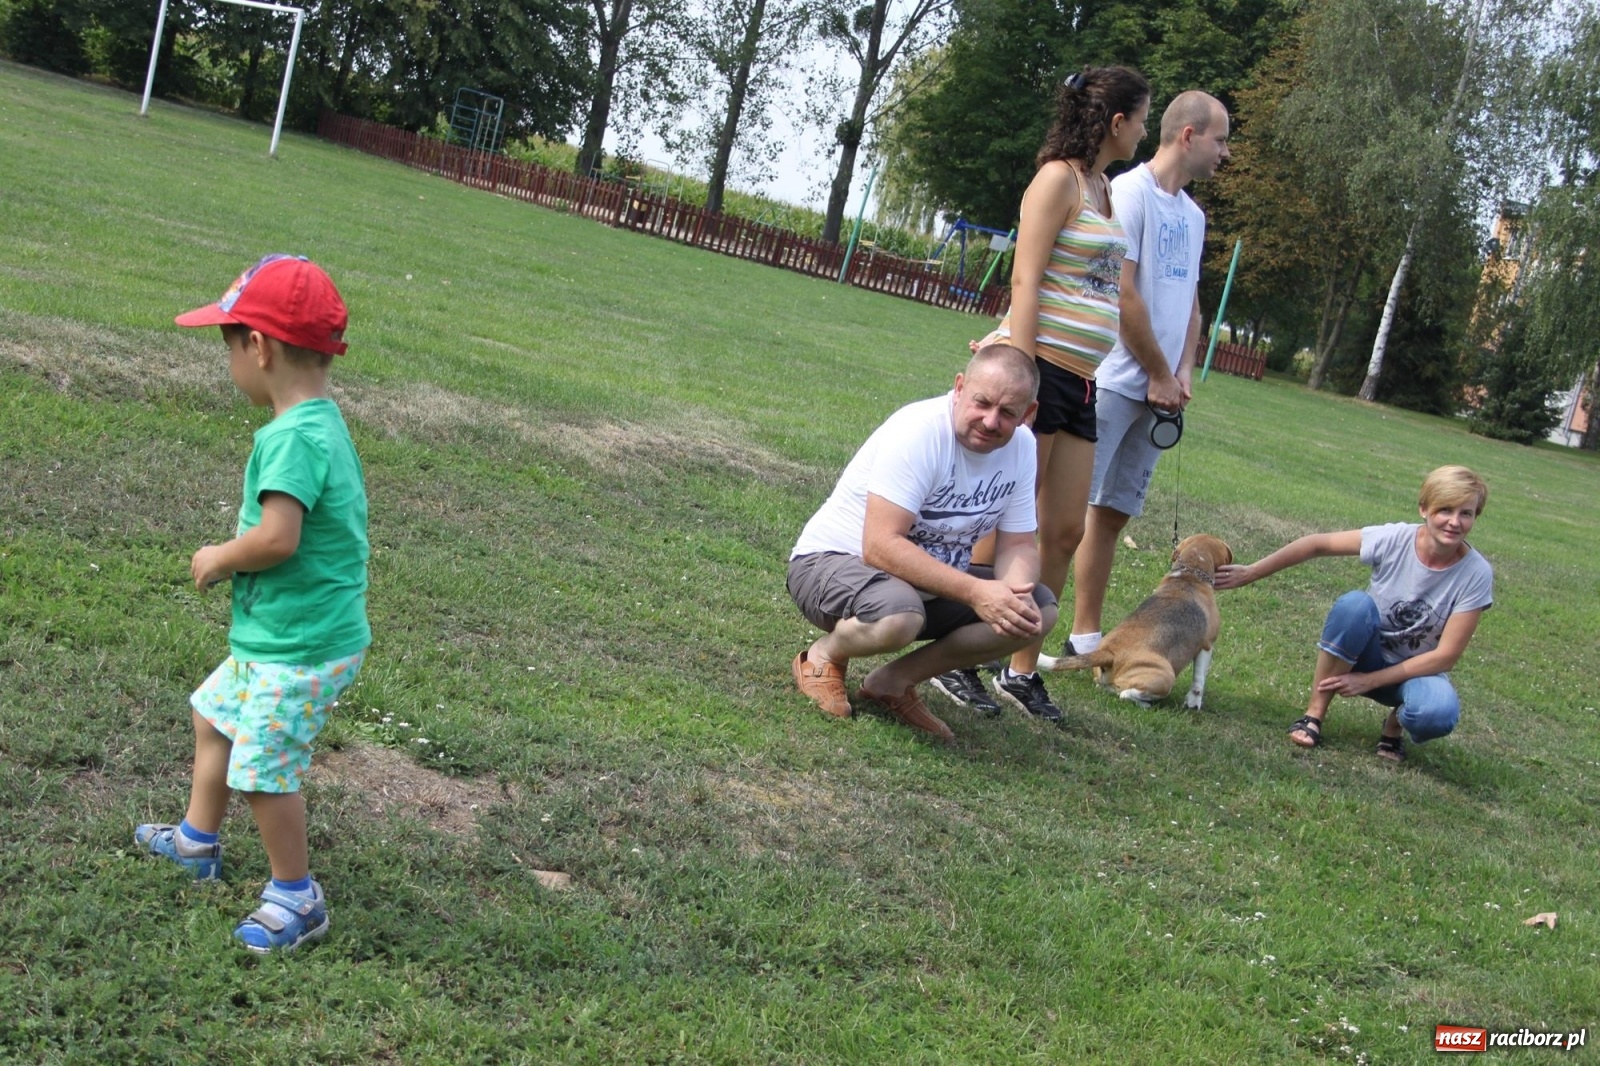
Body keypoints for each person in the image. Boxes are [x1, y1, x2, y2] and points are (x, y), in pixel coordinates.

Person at [136, 254, 371, 952]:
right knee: (214, 716)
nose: (230, 363)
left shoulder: (292, 438)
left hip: (299, 645)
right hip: (284, 633)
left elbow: (277, 539)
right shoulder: (320, 422)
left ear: (259, 349)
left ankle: (297, 899)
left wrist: (218, 557)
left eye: (229, 346)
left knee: (263, 771)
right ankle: (196, 842)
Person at [931, 66, 1151, 724]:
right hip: (1042, 372)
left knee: (1063, 528)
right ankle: (954, 656)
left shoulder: (1106, 190)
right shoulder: (1058, 178)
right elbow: (1026, 281)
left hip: (1082, 381)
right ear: (1116, 122)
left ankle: (1018, 666)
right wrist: (1018, 377)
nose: (1145, 129)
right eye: (1142, 118)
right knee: (1005, 523)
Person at [787, 344, 1057, 741]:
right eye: (982, 403)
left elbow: (1018, 543)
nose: (990, 420)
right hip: (830, 563)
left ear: (1027, 415)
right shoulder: (920, 430)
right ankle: (823, 656)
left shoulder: (1023, 447)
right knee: (900, 616)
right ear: (960, 387)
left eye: (1008, 413)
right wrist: (978, 592)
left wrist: (1013, 594)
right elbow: (879, 545)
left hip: (923, 585)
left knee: (1037, 611)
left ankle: (891, 683)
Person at [1067, 89, 1231, 661]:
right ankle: (1018, 633)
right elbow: (1124, 292)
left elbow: (1188, 304)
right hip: (1114, 379)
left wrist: (1182, 371)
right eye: (1220, 139)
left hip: (1162, 390)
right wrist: (1158, 373)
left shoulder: (1193, 216)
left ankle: (1085, 633)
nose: (1225, 153)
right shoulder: (1126, 194)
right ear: (1188, 136)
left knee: (1112, 513)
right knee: (1066, 512)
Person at [1214, 466, 1493, 761]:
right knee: (1354, 605)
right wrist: (1251, 572)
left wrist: (1369, 682)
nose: (1454, 522)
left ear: (1476, 516)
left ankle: (1394, 726)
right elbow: (1316, 544)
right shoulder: (1395, 539)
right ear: (1423, 509)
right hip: (1364, 655)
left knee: (1437, 713)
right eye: (1445, 510)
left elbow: (1445, 657)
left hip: (1413, 673)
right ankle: (1314, 715)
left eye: (1466, 513)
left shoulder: (1476, 573)